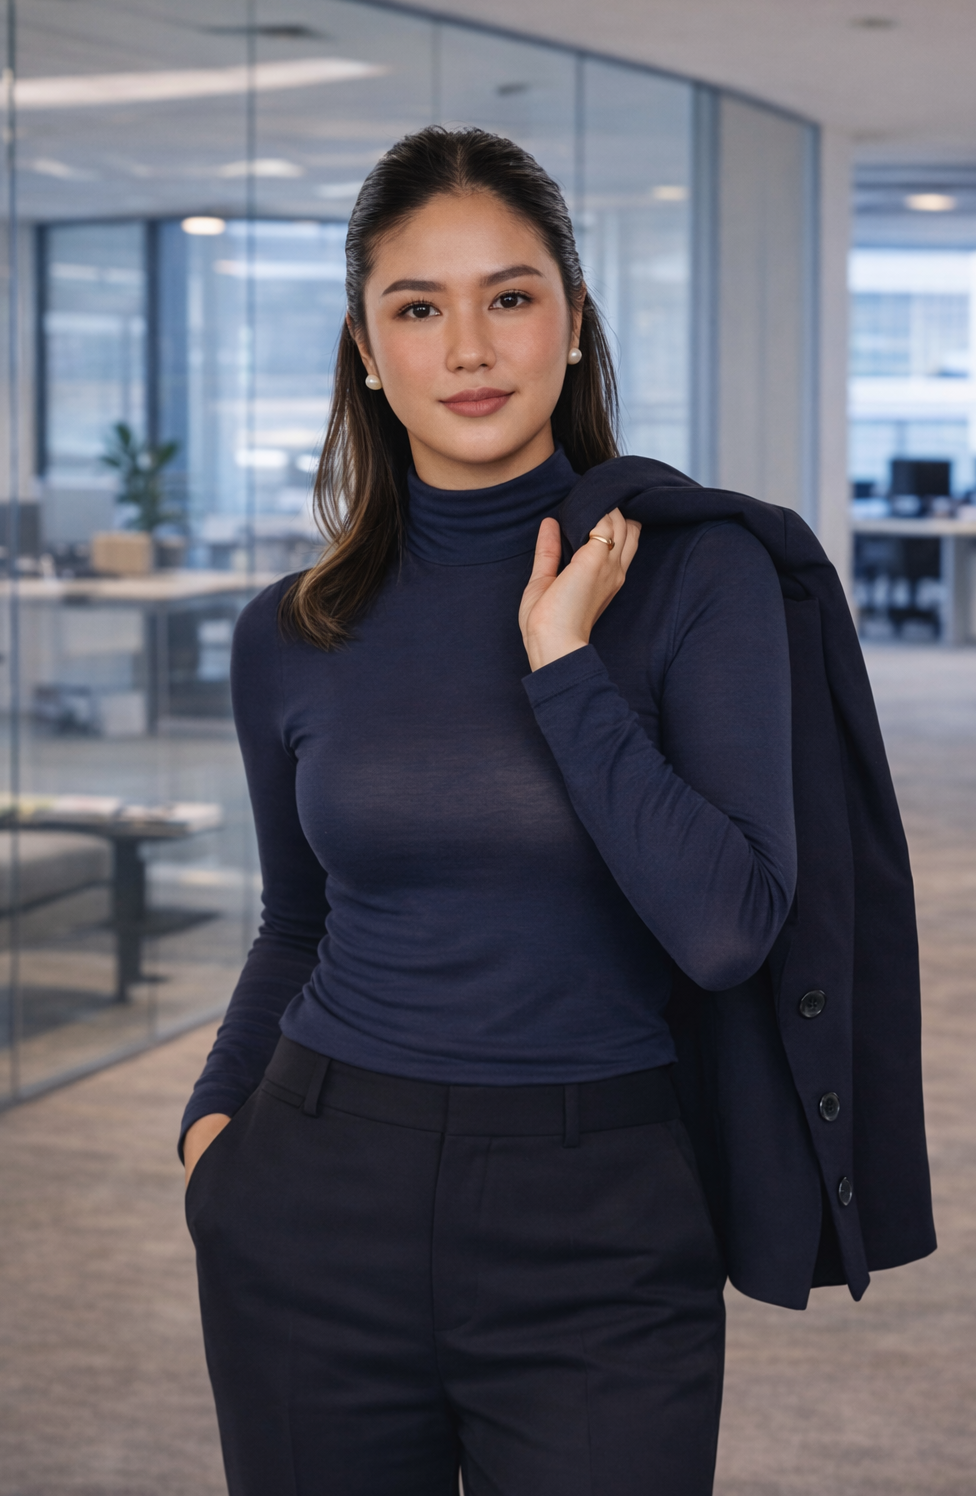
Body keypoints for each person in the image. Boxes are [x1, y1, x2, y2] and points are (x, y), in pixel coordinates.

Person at [181, 125, 800, 1496]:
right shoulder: (290, 630)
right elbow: (296, 924)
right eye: (418, 308)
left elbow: (726, 930)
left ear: (572, 323)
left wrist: (564, 666)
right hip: (311, 1203)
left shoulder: (699, 576)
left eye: (508, 297)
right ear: (366, 348)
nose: (468, 348)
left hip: (601, 1224)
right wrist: (213, 1138)